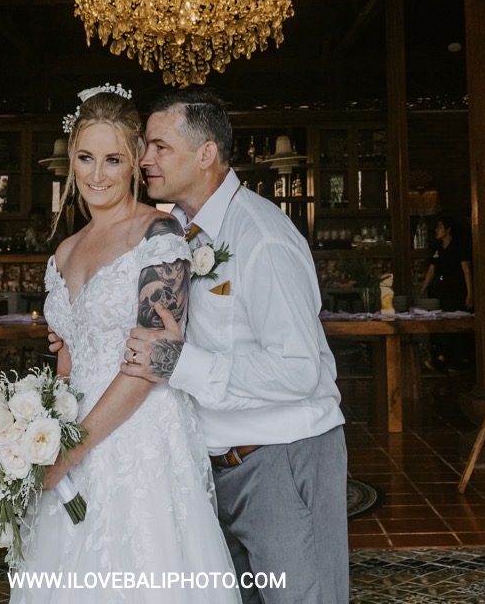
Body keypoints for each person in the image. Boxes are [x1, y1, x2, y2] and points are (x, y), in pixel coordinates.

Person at [122, 89, 350, 604]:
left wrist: (181, 364)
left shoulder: (261, 235)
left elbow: (298, 369)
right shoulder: (176, 234)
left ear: (206, 154)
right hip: (210, 466)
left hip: (281, 457)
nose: (145, 159)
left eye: (159, 146)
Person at [13, 85, 237, 603]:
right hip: (72, 434)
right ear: (71, 160)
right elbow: (69, 361)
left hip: (138, 437)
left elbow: (150, 364)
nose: (97, 174)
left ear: (136, 159)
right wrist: (39, 434)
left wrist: (68, 453)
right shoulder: (65, 252)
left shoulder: (158, 235)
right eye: (86, 158)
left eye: (112, 159)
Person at [417, 215, 473, 312]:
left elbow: (466, 271)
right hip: (441, 289)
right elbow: (431, 271)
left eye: (439, 227)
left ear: (448, 230)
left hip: (457, 289)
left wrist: (470, 293)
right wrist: (422, 290)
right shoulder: (437, 247)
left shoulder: (458, 246)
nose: (436, 230)